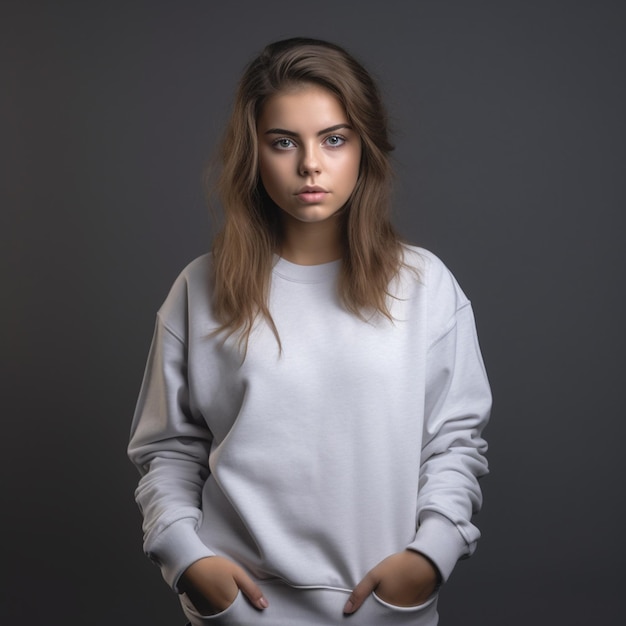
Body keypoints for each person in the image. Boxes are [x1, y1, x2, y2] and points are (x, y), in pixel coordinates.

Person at [127, 37, 491, 626]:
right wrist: (188, 561)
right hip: (240, 608)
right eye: (283, 142)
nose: (310, 165)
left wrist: (429, 558)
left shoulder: (425, 285)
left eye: (334, 139)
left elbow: (455, 442)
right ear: (255, 154)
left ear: (363, 148)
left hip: (384, 606)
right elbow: (168, 448)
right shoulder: (200, 288)